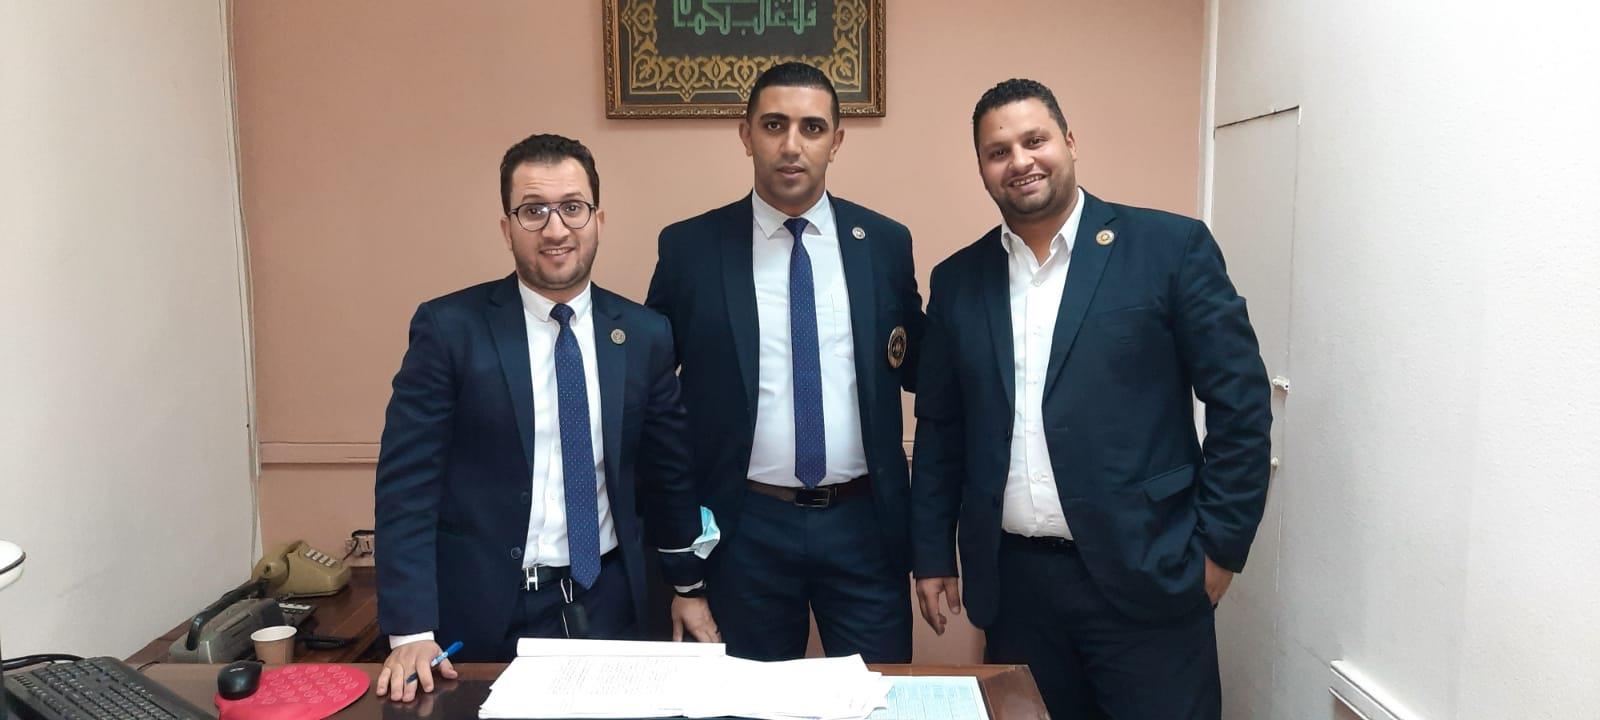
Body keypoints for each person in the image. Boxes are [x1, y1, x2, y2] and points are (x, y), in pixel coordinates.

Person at [911, 78, 1272, 719]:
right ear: (982, 169)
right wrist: (934, 553)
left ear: (1070, 142)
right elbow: (942, 427)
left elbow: (1240, 402)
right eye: (998, 152)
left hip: (1149, 572)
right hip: (1017, 590)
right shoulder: (959, 280)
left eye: (1035, 140)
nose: (1020, 161)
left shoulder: (1169, 248)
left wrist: (1221, 546)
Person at [373, 134, 718, 702]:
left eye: (572, 208)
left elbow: (669, 475)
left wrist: (687, 586)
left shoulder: (644, 334)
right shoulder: (449, 330)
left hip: (610, 604)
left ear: (598, 220)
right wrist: (410, 630)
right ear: (507, 227)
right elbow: (406, 486)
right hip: (486, 610)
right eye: (534, 211)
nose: (556, 229)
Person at [646, 62, 925, 663]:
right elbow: (652, 400)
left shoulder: (884, 243)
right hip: (744, 529)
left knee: (876, 694)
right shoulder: (690, 249)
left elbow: (920, 370)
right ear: (745, 134)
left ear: (836, 141)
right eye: (774, 125)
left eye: (812, 127)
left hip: (864, 525)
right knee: (748, 700)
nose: (792, 145)